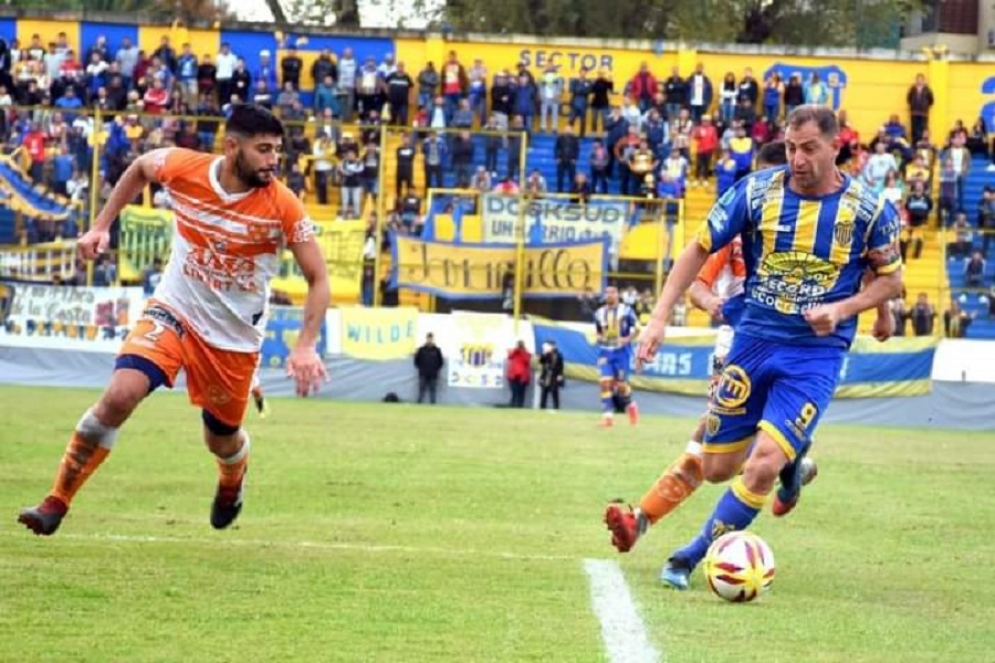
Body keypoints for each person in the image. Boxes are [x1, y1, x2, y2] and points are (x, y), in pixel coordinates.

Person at [17, 104, 330, 536]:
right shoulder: (185, 167)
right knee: (119, 395)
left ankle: (231, 477)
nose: (273, 160)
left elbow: (318, 277)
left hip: (231, 338)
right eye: (263, 150)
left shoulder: (283, 206)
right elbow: (141, 168)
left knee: (221, 440)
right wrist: (101, 226)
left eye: (277, 150)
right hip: (174, 309)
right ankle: (56, 500)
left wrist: (305, 344)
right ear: (232, 146)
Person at [635, 105, 903, 590]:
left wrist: (844, 311)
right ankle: (793, 459)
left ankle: (689, 557)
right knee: (716, 468)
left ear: (835, 145)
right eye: (792, 147)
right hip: (752, 343)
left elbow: (891, 280)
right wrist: (658, 319)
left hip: (814, 357)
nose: (797, 159)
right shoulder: (755, 192)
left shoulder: (869, 210)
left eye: (809, 149)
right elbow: (697, 249)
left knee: (759, 468)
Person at [604, 141, 790, 553]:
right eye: (768, 180)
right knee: (711, 437)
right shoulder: (736, 227)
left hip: (793, 346)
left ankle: (789, 465)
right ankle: (644, 520)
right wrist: (716, 305)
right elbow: (698, 286)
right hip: (737, 345)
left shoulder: (816, 231)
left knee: (751, 444)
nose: (777, 188)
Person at [594, 285, 640, 427]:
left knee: (620, 385)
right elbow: (598, 332)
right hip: (605, 352)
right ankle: (608, 417)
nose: (609, 295)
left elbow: (637, 328)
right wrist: (600, 338)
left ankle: (631, 406)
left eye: (612, 292)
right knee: (605, 382)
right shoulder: (599, 313)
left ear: (617, 295)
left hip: (622, 353)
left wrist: (627, 339)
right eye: (607, 292)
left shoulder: (626, 311)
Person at [414, 333, 444, 404]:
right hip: (423, 372)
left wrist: (436, 369)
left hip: (433, 373)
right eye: (428, 338)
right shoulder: (421, 350)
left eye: (431, 339)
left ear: (433, 339)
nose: (430, 340)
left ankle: (433, 402)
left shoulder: (437, 350)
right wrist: (421, 368)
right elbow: (416, 361)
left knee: (433, 389)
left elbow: (441, 362)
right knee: (421, 388)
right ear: (426, 339)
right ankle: (420, 401)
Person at [538, 340, 564, 410]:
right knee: (544, 393)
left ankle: (556, 408)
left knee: (554, 393)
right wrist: (544, 353)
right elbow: (541, 361)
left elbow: (560, 366)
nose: (547, 347)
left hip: (554, 376)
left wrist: (560, 375)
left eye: (549, 346)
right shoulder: (545, 354)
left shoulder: (558, 355)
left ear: (553, 346)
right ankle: (542, 408)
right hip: (546, 376)